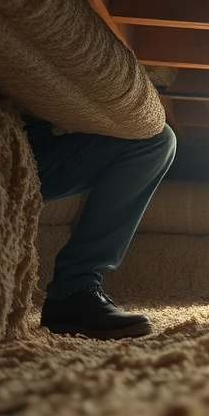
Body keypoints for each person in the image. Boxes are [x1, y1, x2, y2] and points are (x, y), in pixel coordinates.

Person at [25, 117, 177, 339]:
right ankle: (75, 286)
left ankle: (74, 290)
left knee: (157, 138)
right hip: (20, 139)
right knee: (153, 139)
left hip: (44, 137)